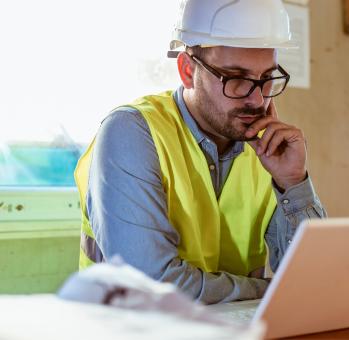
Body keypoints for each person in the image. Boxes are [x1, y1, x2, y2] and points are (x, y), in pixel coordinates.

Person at [74, 0, 326, 304]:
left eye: (266, 79)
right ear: (187, 70)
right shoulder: (131, 132)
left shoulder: (267, 148)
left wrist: (293, 182)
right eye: (237, 79)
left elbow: (317, 278)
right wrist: (272, 291)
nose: (257, 99)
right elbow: (150, 285)